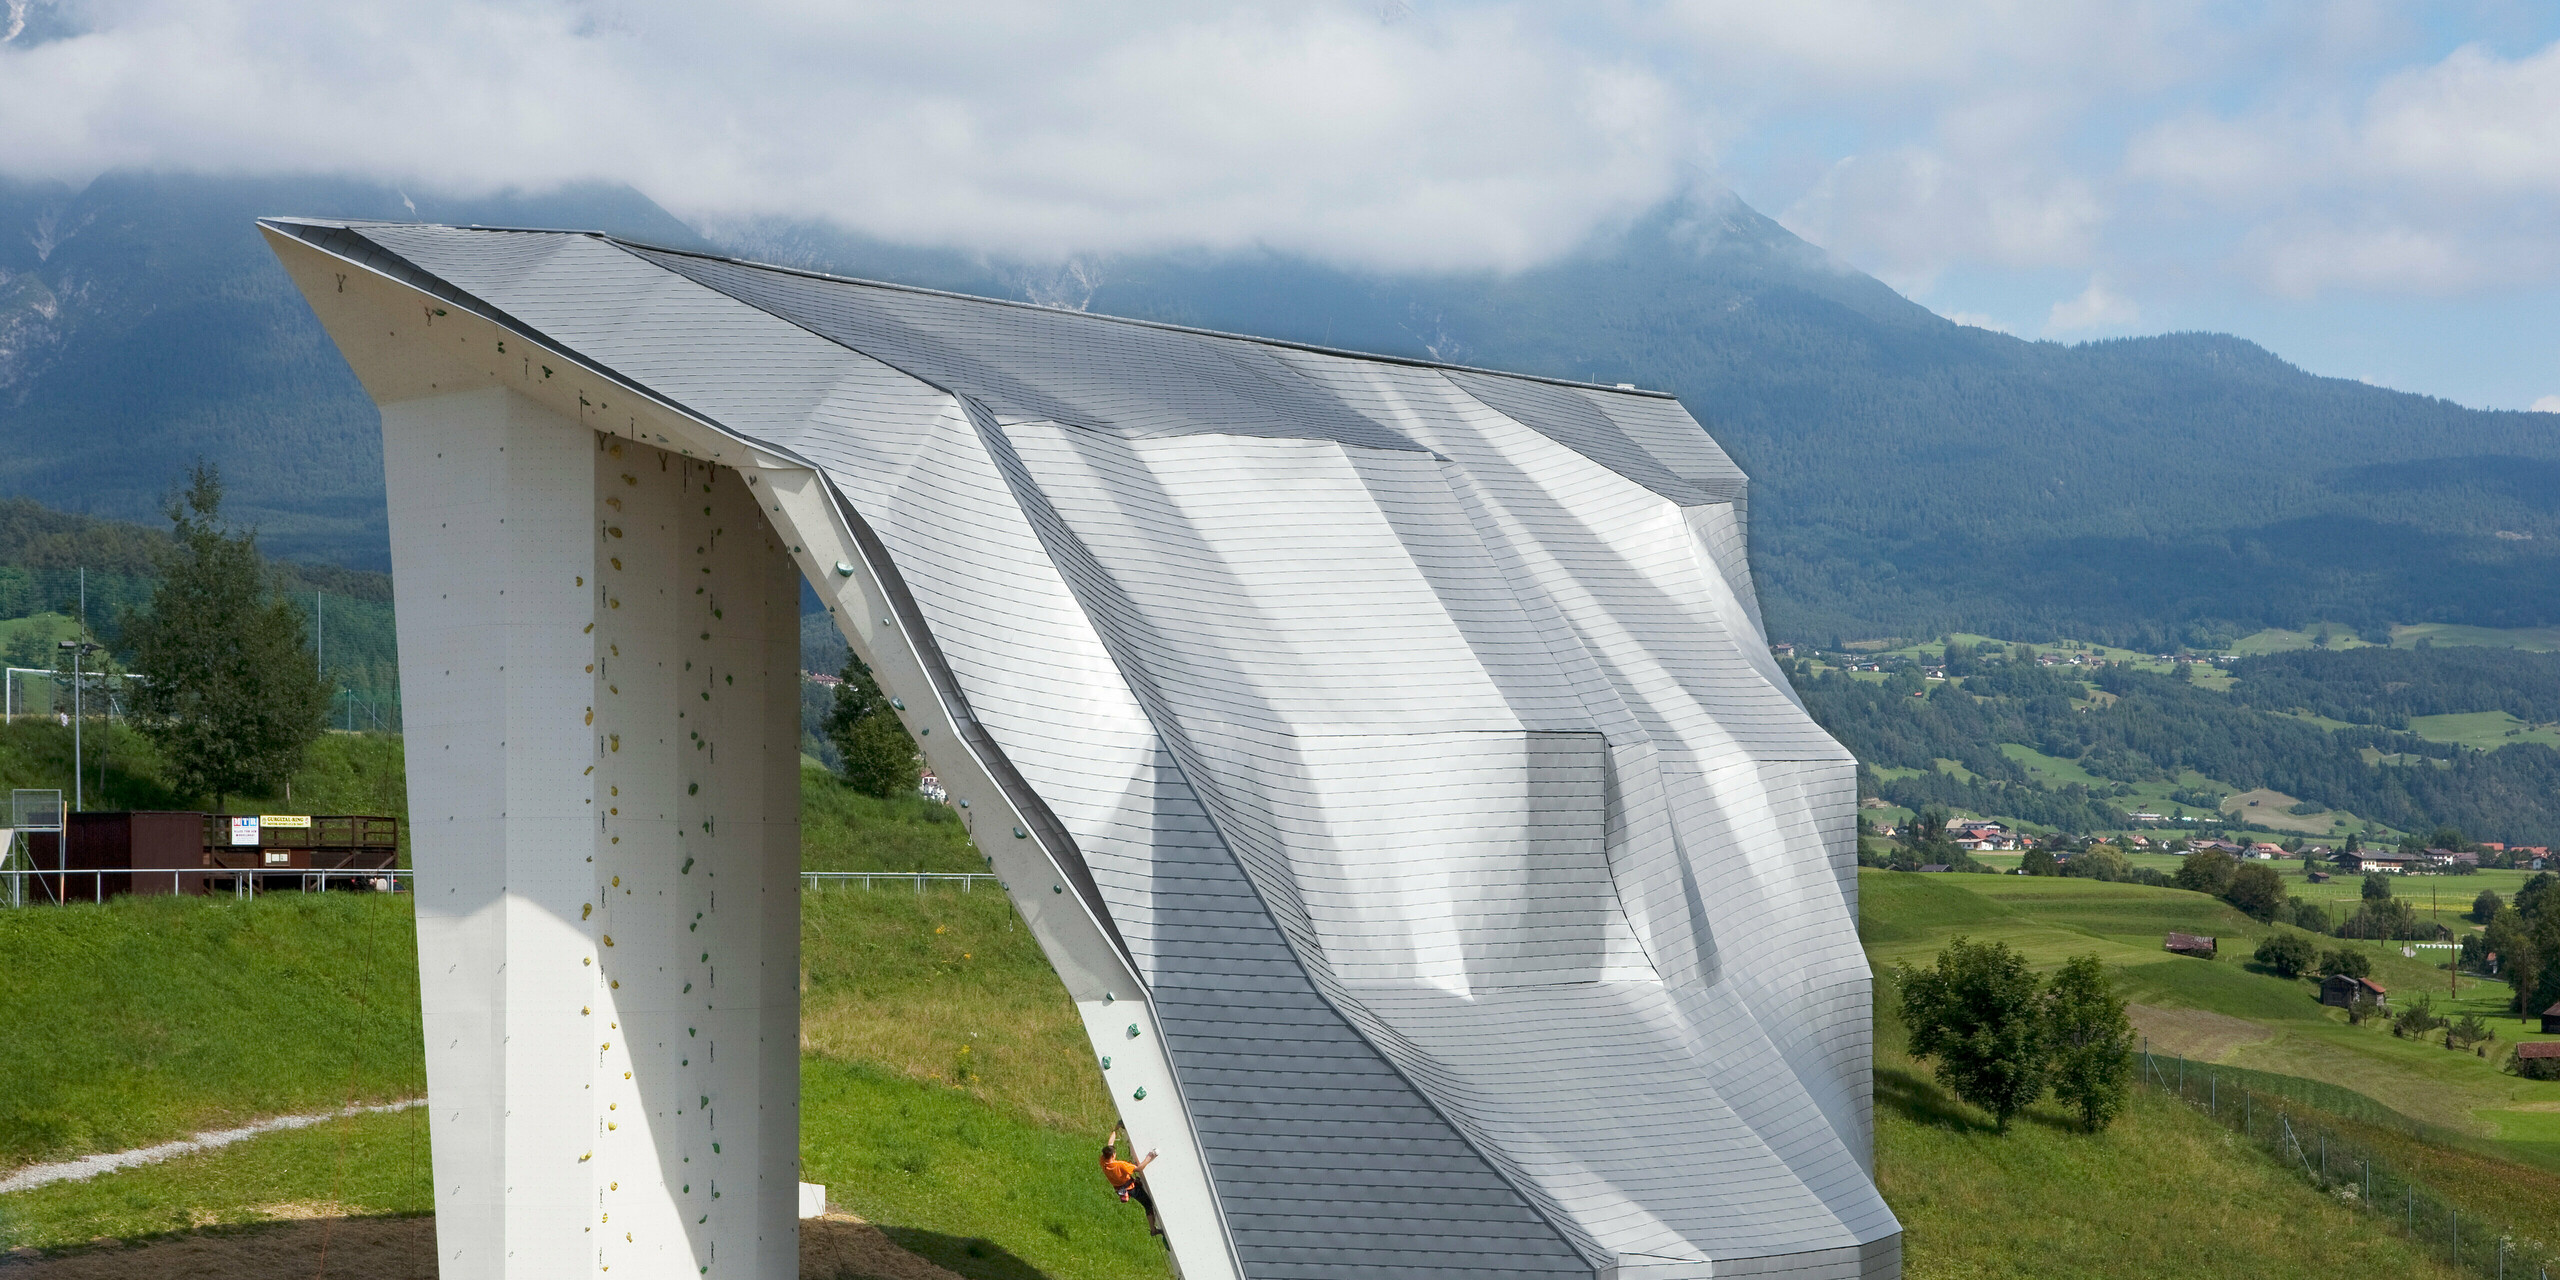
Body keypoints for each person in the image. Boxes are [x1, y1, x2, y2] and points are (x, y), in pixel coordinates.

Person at [1099, 1123, 1163, 1238]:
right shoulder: (1120, 1165)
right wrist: (1150, 1157)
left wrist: (1115, 1129)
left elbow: (1110, 1143)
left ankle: (1153, 1229)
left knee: (1145, 1202)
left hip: (1121, 1188)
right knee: (1148, 1204)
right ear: (1113, 1155)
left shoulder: (1103, 1161)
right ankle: (1153, 1230)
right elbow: (1139, 1168)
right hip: (1131, 1188)